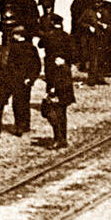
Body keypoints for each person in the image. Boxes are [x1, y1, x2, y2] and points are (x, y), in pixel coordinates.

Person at [40, 17, 75, 149]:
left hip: (54, 80)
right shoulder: (67, 37)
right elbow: (74, 55)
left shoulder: (49, 37)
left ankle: (58, 138)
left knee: (54, 109)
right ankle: (63, 138)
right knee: (62, 111)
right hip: (66, 80)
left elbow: (41, 44)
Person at [6, 24, 42, 135]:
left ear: (19, 35)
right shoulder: (31, 48)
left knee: (17, 104)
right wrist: (31, 79)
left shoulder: (13, 48)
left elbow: (10, 65)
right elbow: (37, 65)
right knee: (25, 102)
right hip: (26, 81)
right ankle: (26, 124)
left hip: (16, 80)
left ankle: (19, 126)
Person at [68, 0, 88, 68]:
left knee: (80, 41)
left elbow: (82, 12)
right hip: (76, 22)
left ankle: (80, 60)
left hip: (78, 24)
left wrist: (79, 22)